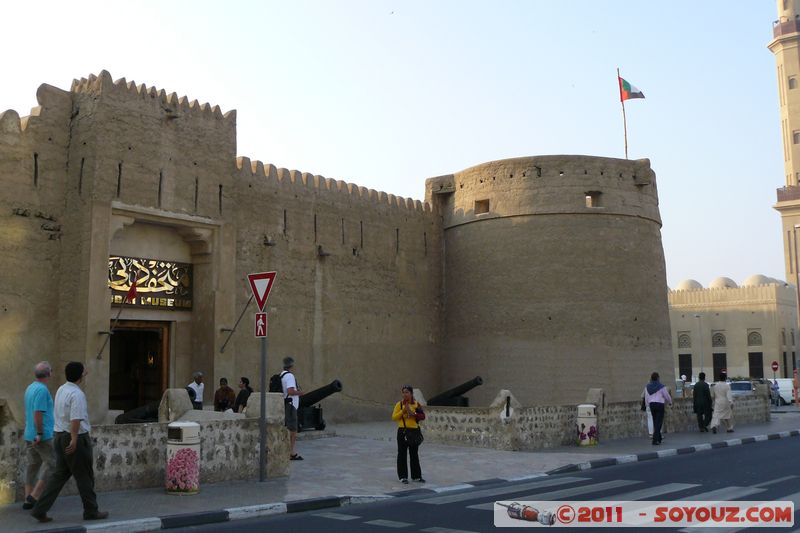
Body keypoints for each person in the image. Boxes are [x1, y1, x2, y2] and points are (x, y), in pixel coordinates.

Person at [31, 362, 108, 523]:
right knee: (84, 476)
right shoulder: (77, 394)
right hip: (75, 438)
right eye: (84, 373)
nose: (85, 375)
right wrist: (74, 438)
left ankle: (40, 509)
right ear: (80, 376)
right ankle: (91, 510)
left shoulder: (61, 389)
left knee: (59, 475)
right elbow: (76, 419)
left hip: (58, 435)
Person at [22, 361, 55, 511]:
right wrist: (40, 433)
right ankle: (34, 496)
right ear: (49, 373)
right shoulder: (42, 390)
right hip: (42, 435)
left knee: (32, 465)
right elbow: (38, 413)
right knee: (52, 464)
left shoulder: (30, 387)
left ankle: (27, 499)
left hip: (29, 434)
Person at [392, 385, 425, 484]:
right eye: (403, 392)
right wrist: (404, 411)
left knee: (414, 454)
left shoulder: (416, 404)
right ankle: (403, 476)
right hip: (403, 431)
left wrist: (413, 413)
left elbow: (422, 416)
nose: (405, 394)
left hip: (414, 431)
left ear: (411, 393)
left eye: (407, 392)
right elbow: (394, 417)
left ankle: (416, 476)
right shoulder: (400, 404)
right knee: (402, 454)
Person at [280, 357, 304, 460]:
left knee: (288, 428)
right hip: (291, 405)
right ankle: (291, 452)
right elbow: (290, 391)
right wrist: (300, 393)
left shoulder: (282, 375)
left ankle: (287, 450)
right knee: (293, 429)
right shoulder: (290, 376)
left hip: (286, 404)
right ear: (292, 366)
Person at [643, 372, 672, 446]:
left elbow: (646, 396)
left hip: (652, 405)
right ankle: (655, 440)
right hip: (659, 404)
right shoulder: (661, 386)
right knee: (659, 422)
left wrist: (647, 404)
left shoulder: (647, 387)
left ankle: (659, 438)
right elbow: (666, 395)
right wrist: (670, 402)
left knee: (655, 420)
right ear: (658, 378)